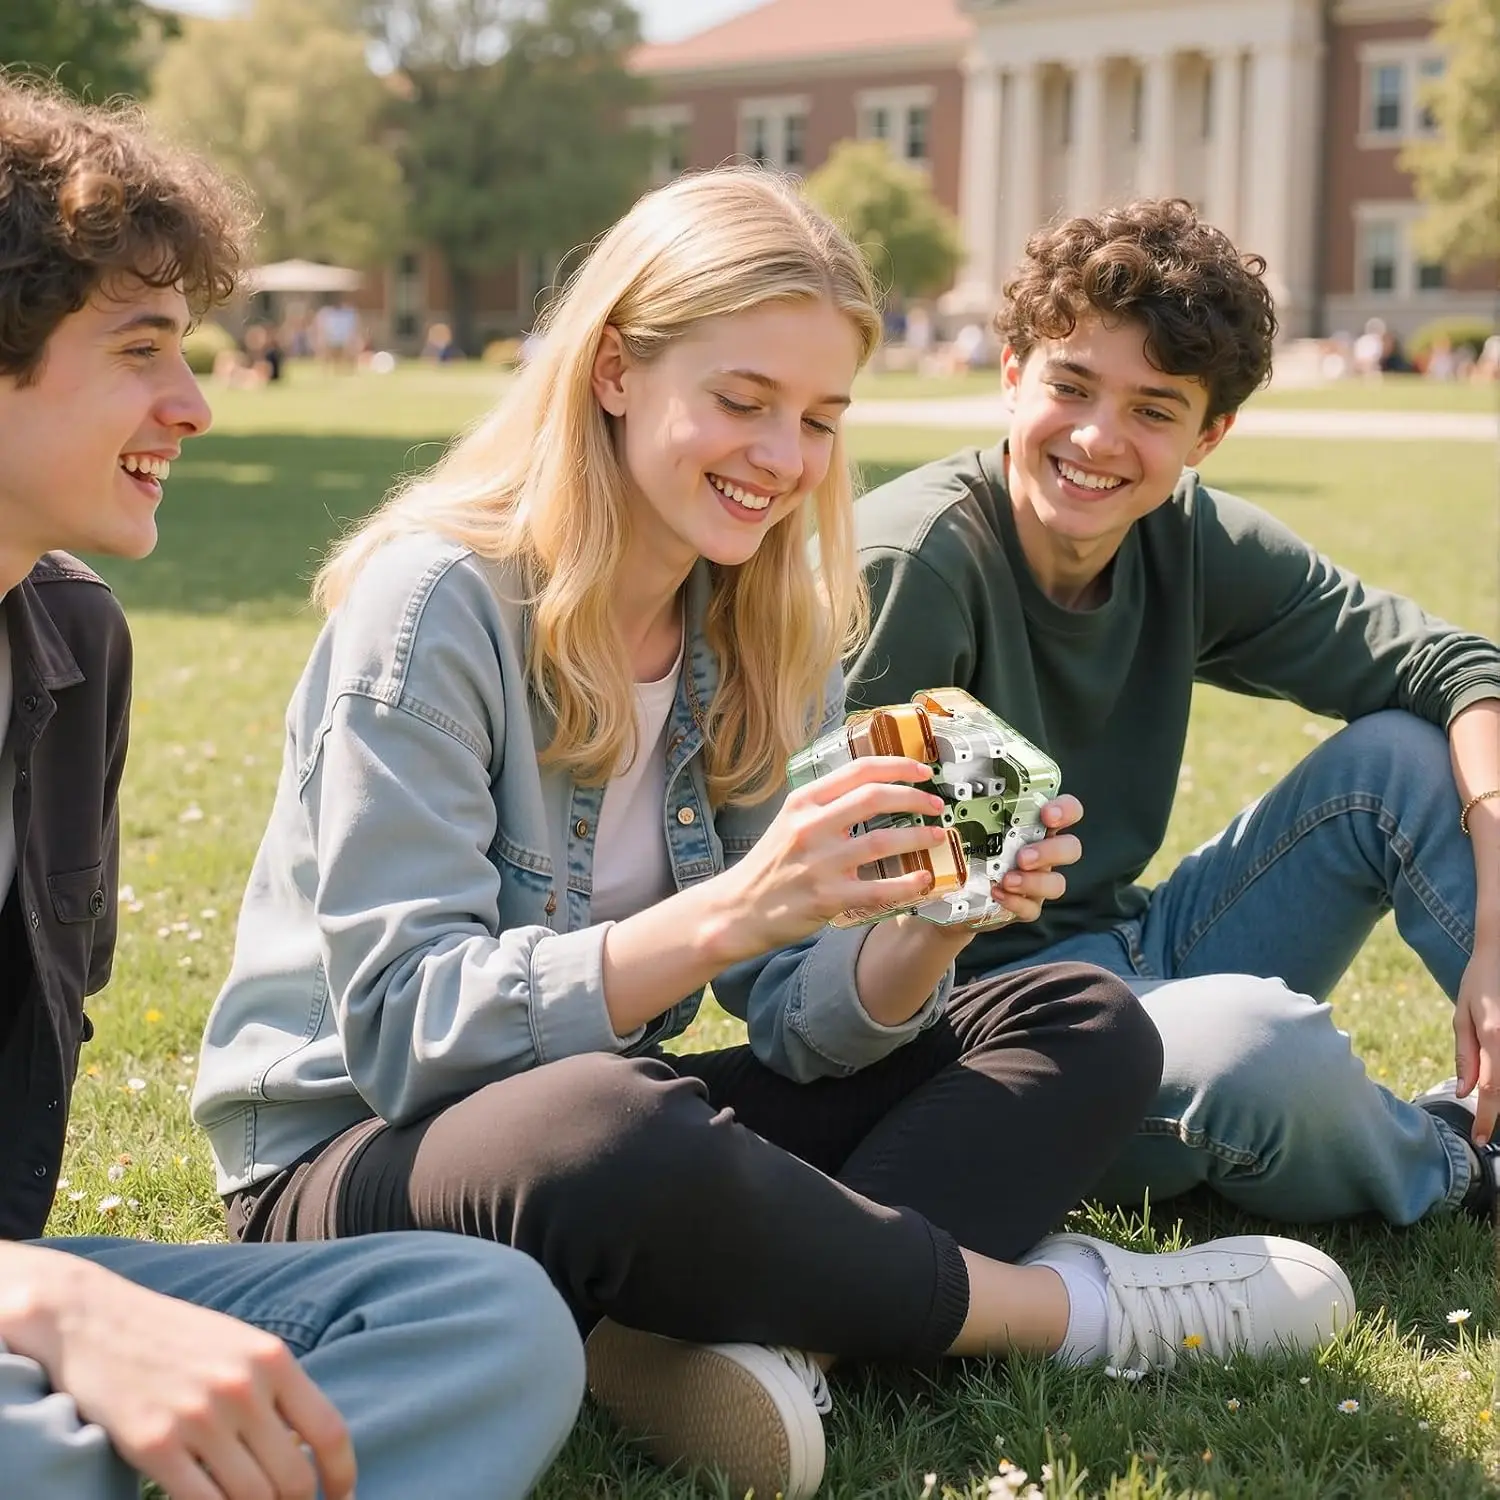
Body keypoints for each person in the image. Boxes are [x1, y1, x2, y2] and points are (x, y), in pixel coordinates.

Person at [193, 168, 1355, 1500]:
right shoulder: (435, 604)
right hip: (342, 1173)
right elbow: (407, 1033)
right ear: (617, 369)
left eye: (819, 419)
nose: (784, 460)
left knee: (1078, 1015)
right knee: (617, 1122)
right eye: (743, 402)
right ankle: (1080, 1313)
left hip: (599, 1153)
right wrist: (737, 908)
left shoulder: (758, 617)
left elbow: (802, 1022)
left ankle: (722, 1329)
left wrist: (925, 925)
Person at [0, 76, 583, 1500]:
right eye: (142, 350)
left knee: (491, 1321)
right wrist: (53, 1310)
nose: (194, 406)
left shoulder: (70, 646)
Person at [845, 198, 1500, 1231]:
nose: (1101, 438)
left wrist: (1496, 922)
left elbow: (1458, 666)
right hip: (991, 1037)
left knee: (1403, 763)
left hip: (1143, 945)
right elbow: (829, 945)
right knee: (1264, 1046)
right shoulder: (914, 564)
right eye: (1072, 385)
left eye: (1155, 409)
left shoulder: (1183, 536)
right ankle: (1460, 1162)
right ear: (1013, 375)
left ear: (1209, 435)